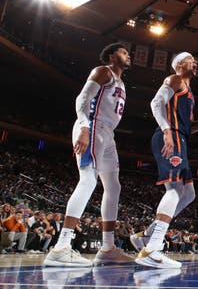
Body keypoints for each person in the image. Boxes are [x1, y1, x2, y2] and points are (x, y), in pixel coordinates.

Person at [44, 43, 133, 267]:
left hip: (107, 134)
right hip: (92, 127)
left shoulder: (121, 82)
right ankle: (61, 247)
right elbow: (82, 99)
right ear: (112, 56)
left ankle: (108, 247)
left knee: (114, 187)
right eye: (123, 52)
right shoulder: (103, 71)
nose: (128, 55)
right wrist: (84, 126)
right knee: (88, 180)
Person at [134, 52, 198, 269]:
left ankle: (146, 236)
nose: (196, 62)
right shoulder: (174, 79)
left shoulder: (189, 92)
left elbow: (190, 127)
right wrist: (166, 130)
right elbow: (156, 103)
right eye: (192, 59)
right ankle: (152, 248)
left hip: (180, 136)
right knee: (174, 190)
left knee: (189, 193)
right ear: (180, 64)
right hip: (170, 135)